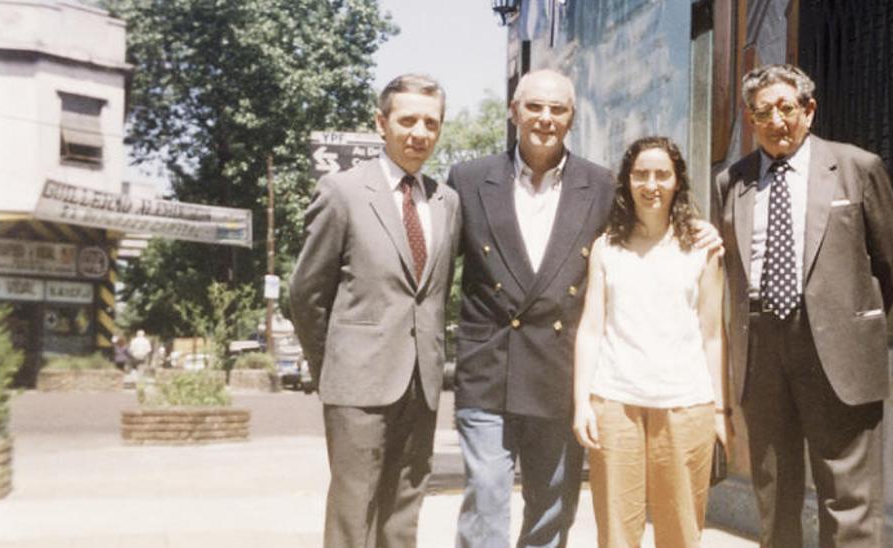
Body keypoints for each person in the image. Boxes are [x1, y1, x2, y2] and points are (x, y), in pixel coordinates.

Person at [448, 69, 721, 547]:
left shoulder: (597, 185)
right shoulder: (468, 180)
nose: (545, 118)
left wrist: (702, 229)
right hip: (488, 368)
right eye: (534, 107)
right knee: (487, 498)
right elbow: (433, 266)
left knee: (552, 508)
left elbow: (653, 220)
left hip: (556, 371)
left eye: (558, 109)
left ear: (572, 118)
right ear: (514, 112)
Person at [711, 64, 893, 547]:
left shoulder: (856, 167)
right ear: (750, 117)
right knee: (773, 489)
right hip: (761, 348)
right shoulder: (731, 182)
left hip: (836, 346)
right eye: (763, 112)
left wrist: (844, 318)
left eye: (786, 108)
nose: (776, 121)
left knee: (847, 495)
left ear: (810, 109)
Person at [289, 73, 461, 548]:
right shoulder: (341, 192)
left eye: (431, 122)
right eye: (408, 120)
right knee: (353, 513)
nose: (419, 133)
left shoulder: (446, 202)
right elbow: (306, 294)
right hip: (357, 385)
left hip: (422, 384)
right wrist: (334, 367)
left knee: (403, 513)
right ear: (381, 123)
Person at [571, 136, 729, 548]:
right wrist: (581, 402)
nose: (651, 184)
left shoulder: (702, 247)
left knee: (680, 530)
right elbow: (590, 328)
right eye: (641, 174)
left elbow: (713, 334)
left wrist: (720, 410)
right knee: (617, 532)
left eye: (662, 174)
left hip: (685, 402)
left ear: (677, 181)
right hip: (615, 401)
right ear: (627, 181)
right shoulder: (607, 247)